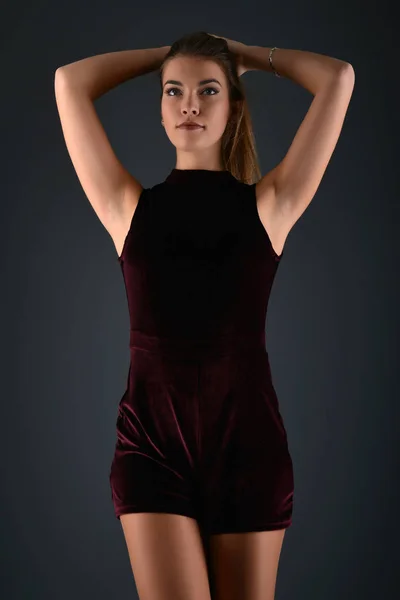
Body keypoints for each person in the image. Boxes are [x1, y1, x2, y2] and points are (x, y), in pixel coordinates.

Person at [54, 31, 355, 600]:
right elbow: (68, 83)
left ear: (233, 105)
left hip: (249, 448)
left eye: (208, 90)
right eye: (174, 91)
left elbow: (338, 78)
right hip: (151, 448)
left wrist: (242, 54)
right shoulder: (126, 207)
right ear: (161, 109)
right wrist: (168, 55)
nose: (189, 103)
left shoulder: (271, 206)